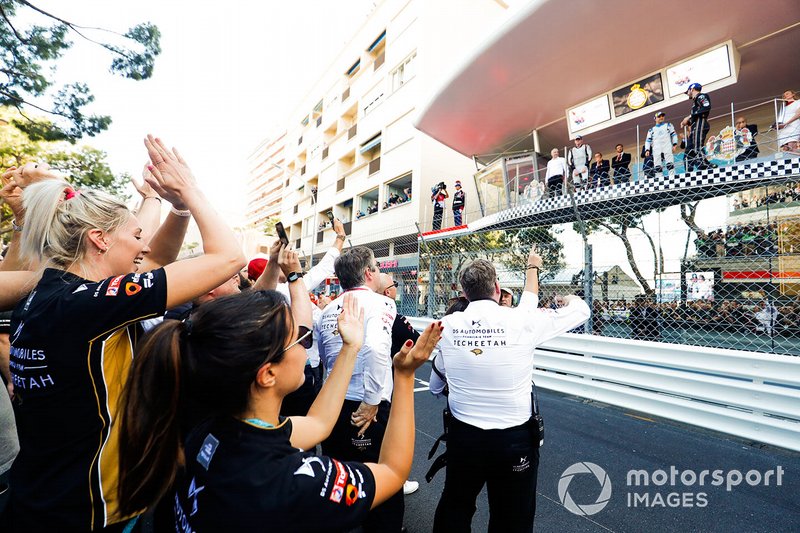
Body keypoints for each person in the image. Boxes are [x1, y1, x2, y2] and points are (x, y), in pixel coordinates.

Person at [3, 136, 247, 532]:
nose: (144, 246)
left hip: (42, 494)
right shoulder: (91, 303)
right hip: (83, 510)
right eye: (136, 237)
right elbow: (227, 258)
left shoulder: (47, 293)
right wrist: (189, 189)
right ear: (99, 239)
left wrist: (178, 210)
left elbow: (155, 260)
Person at [117, 289, 443, 531]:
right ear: (267, 373)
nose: (305, 346)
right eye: (298, 341)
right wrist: (403, 376)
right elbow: (393, 472)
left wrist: (350, 347)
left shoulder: (212, 428)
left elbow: (318, 423)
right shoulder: (293, 480)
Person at [430, 250, 590, 532]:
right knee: (513, 517)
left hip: (464, 437)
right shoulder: (521, 321)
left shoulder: (446, 326)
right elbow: (581, 311)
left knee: (456, 505)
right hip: (513, 441)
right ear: (497, 288)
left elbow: (434, 387)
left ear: (464, 294)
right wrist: (566, 297)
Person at [317, 247, 404, 532]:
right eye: (377, 267)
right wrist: (372, 400)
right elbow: (378, 349)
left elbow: (323, 358)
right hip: (365, 406)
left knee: (339, 478)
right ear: (368, 273)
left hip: (332, 405)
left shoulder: (328, 308)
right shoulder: (381, 303)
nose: (379, 272)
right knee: (380, 480)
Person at [378, 273, 422, 496]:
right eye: (394, 285)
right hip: (391, 379)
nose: (397, 288)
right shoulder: (394, 316)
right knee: (394, 428)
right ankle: (396, 480)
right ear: (388, 292)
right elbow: (414, 338)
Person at [680, 82, 712, 171]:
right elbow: (696, 115)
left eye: (688, 92)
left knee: (697, 147)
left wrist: (689, 117)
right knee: (688, 151)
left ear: (692, 89)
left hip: (700, 123)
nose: (688, 94)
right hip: (695, 125)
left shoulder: (701, 96)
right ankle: (688, 172)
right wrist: (688, 122)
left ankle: (705, 166)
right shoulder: (695, 102)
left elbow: (706, 107)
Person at [645, 111, 679, 178]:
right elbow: (648, 141)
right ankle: (659, 179)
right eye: (659, 116)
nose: (661, 117)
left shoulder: (669, 125)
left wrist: (675, 144)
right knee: (657, 166)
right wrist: (647, 150)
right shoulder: (651, 130)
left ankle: (672, 177)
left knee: (670, 163)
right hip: (656, 149)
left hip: (667, 146)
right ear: (655, 118)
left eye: (662, 116)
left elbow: (674, 135)